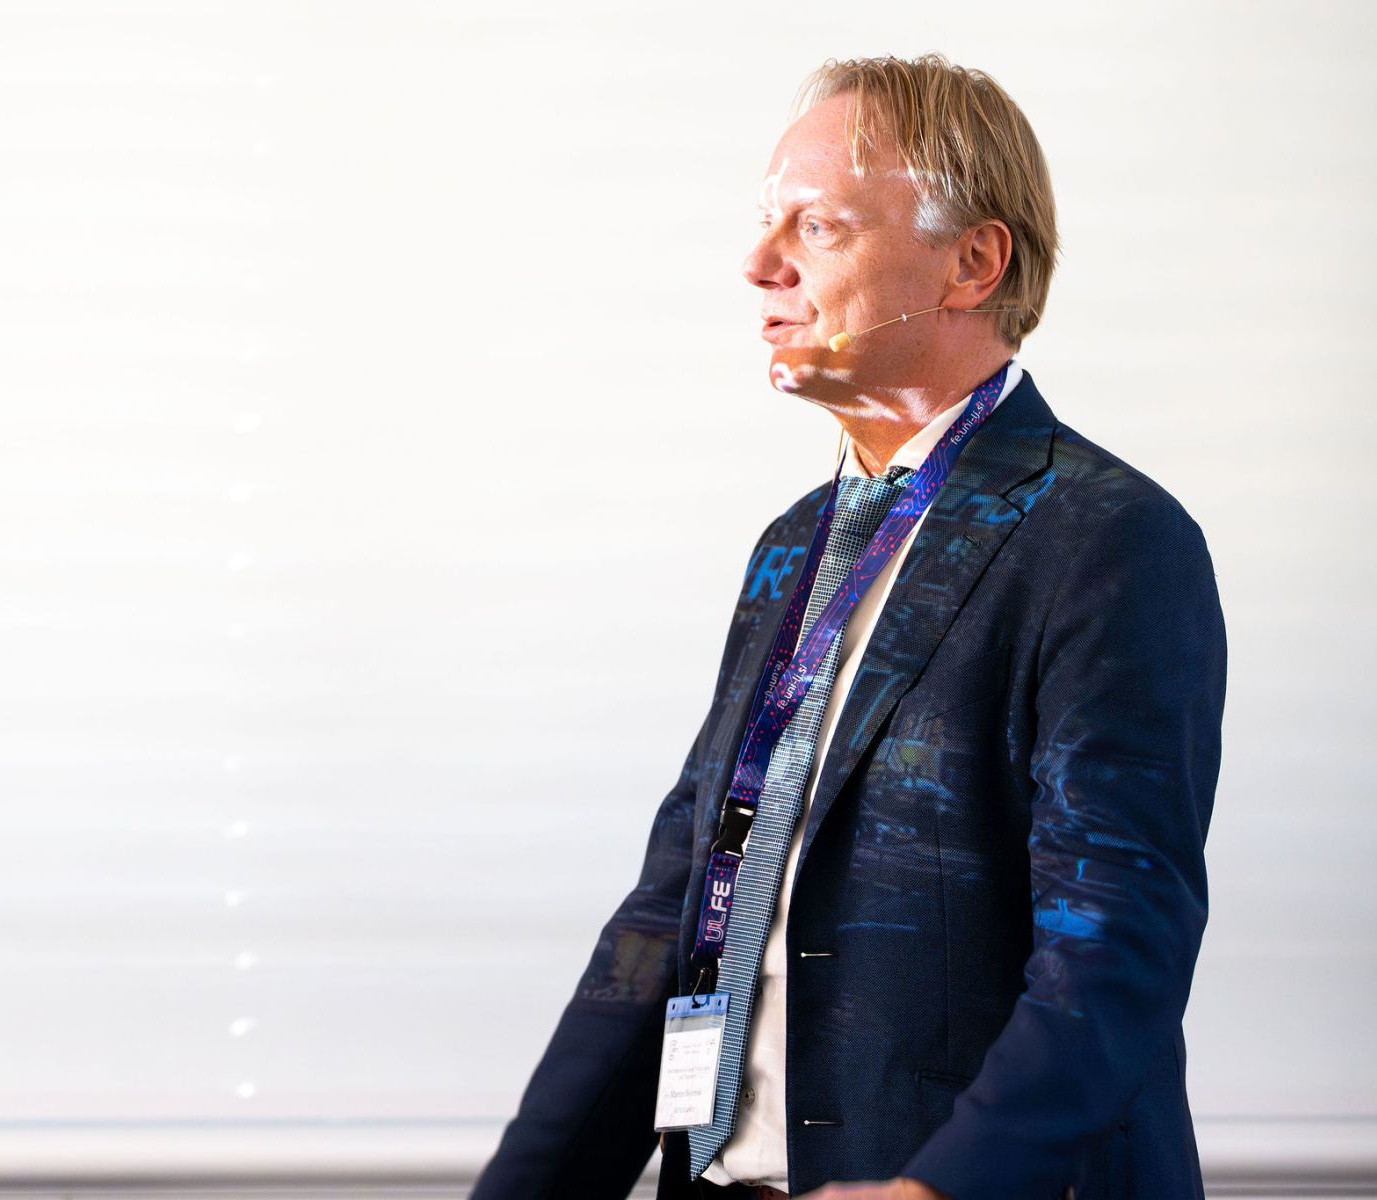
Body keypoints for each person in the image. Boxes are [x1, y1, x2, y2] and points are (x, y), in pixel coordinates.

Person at [470, 53, 1226, 1200]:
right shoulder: (794, 546)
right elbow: (675, 907)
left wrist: (939, 1192)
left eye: (816, 227)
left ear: (972, 263)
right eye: (766, 223)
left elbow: (1117, 939)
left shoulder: (1107, 538)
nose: (760, 265)